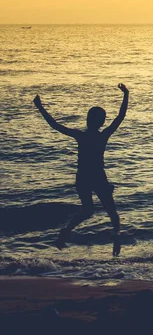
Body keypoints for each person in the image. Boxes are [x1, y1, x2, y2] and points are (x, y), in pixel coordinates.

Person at [33, 84, 129, 256]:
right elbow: (120, 117)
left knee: (88, 209)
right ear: (101, 122)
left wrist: (41, 107)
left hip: (83, 177)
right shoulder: (102, 136)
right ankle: (116, 241)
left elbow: (55, 125)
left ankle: (66, 231)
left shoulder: (81, 136)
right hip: (98, 177)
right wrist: (126, 95)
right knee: (112, 213)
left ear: (88, 120)